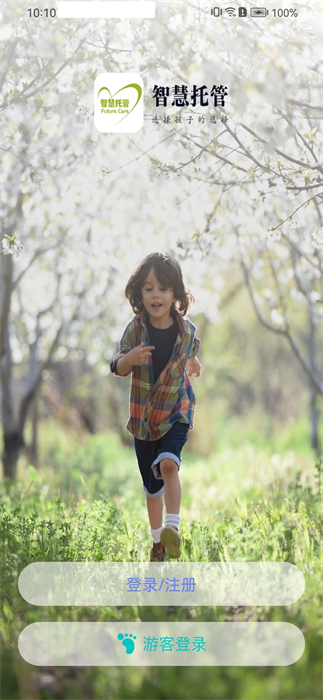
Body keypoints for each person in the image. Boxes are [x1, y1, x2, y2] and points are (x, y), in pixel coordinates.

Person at [110, 252, 201, 562]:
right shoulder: (135, 330)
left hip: (177, 408)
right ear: (139, 293)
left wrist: (193, 362)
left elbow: (189, 352)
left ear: (175, 293)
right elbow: (117, 365)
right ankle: (157, 543)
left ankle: (172, 529)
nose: (156, 295)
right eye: (148, 288)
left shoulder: (186, 330)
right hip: (145, 419)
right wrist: (128, 360)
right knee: (152, 488)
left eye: (163, 288)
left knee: (168, 465)